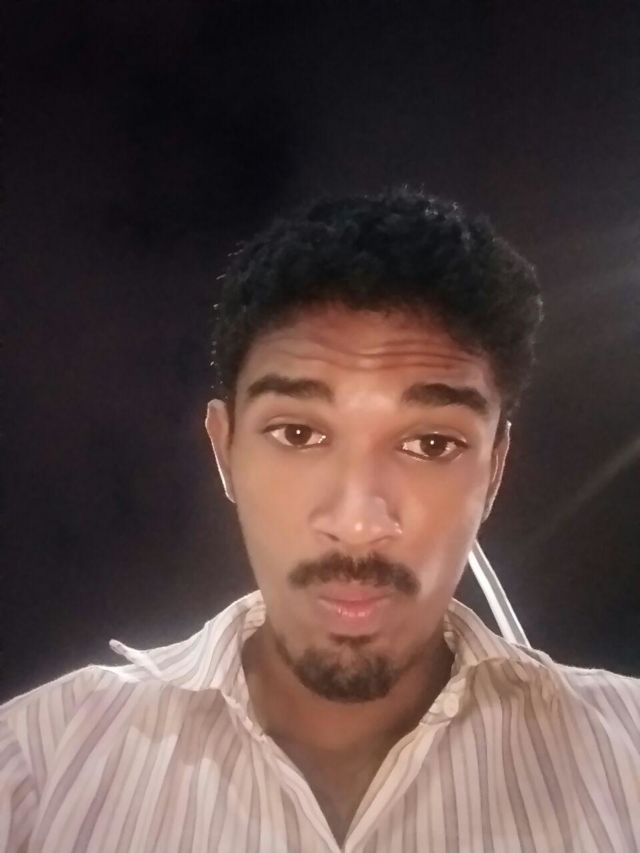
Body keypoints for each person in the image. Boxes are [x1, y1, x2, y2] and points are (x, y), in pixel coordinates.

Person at [1, 188, 638, 853]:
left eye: (431, 443)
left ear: (495, 470)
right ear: (225, 450)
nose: (357, 523)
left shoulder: (627, 763)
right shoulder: (37, 770)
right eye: (298, 433)